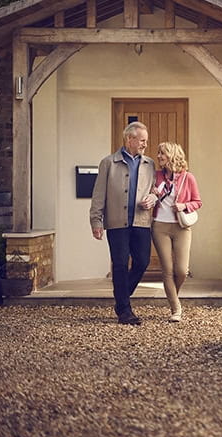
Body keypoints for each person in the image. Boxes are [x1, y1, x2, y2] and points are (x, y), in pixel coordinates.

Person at [89, 121, 157, 325]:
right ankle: (125, 311)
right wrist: (96, 220)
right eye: (142, 140)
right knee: (119, 264)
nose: (145, 144)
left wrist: (154, 198)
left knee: (142, 262)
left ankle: (121, 300)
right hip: (117, 223)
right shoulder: (108, 163)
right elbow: (98, 194)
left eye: (146, 140)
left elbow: (155, 189)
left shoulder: (150, 164)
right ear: (130, 139)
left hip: (141, 222)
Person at [151, 142, 202, 322]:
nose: (158, 156)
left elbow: (198, 202)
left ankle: (173, 295)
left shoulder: (188, 178)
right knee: (167, 270)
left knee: (181, 271)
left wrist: (184, 205)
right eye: (158, 153)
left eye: (162, 153)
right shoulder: (156, 176)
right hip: (160, 227)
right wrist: (152, 195)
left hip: (181, 227)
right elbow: (148, 195)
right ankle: (176, 308)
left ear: (172, 155)